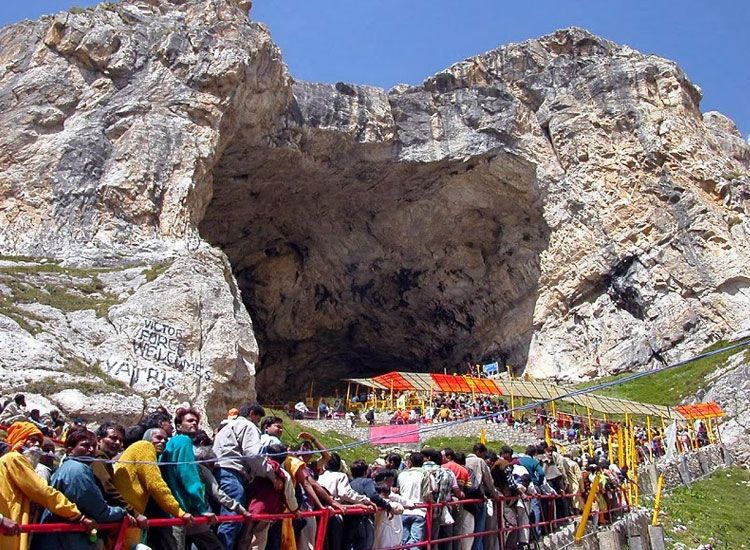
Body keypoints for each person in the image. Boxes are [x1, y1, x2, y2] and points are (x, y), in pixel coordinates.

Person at [0, 422, 95, 550]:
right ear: (20, 441)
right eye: (32, 440)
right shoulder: (14, 458)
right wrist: (77, 514)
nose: (37, 445)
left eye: (39, 441)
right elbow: (41, 491)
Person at [31, 428, 130, 550]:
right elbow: (98, 511)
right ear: (70, 450)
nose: (91, 450)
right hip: (67, 540)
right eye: (85, 445)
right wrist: (122, 512)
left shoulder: (69, 468)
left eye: (94, 446)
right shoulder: (77, 470)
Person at [114, 428, 194, 549]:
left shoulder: (138, 449)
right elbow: (155, 484)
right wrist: (179, 512)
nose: (162, 442)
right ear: (147, 438)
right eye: (158, 438)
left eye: (165, 440)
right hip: (129, 514)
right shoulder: (145, 447)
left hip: (127, 512)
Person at [212, 403, 278, 549]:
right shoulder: (248, 426)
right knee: (232, 519)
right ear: (252, 414)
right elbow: (253, 454)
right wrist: (270, 474)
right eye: (258, 419)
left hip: (218, 472)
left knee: (223, 518)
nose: (258, 423)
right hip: (233, 474)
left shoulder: (225, 427)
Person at [161, 407, 220, 550]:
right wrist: (201, 508)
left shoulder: (172, 443)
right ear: (179, 426)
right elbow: (187, 475)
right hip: (180, 509)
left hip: (172, 507)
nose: (194, 423)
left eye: (196, 421)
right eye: (189, 421)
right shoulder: (183, 441)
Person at [90, 422, 148, 550]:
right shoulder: (98, 458)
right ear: (99, 439)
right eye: (113, 438)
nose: (117, 443)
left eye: (120, 440)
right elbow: (108, 488)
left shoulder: (106, 460)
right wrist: (133, 512)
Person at [397, 452, 433, 545]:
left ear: (410, 462)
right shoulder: (424, 473)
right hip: (419, 511)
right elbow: (426, 495)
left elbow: (399, 492)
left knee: (403, 542)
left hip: (404, 511)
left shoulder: (402, 474)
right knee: (415, 543)